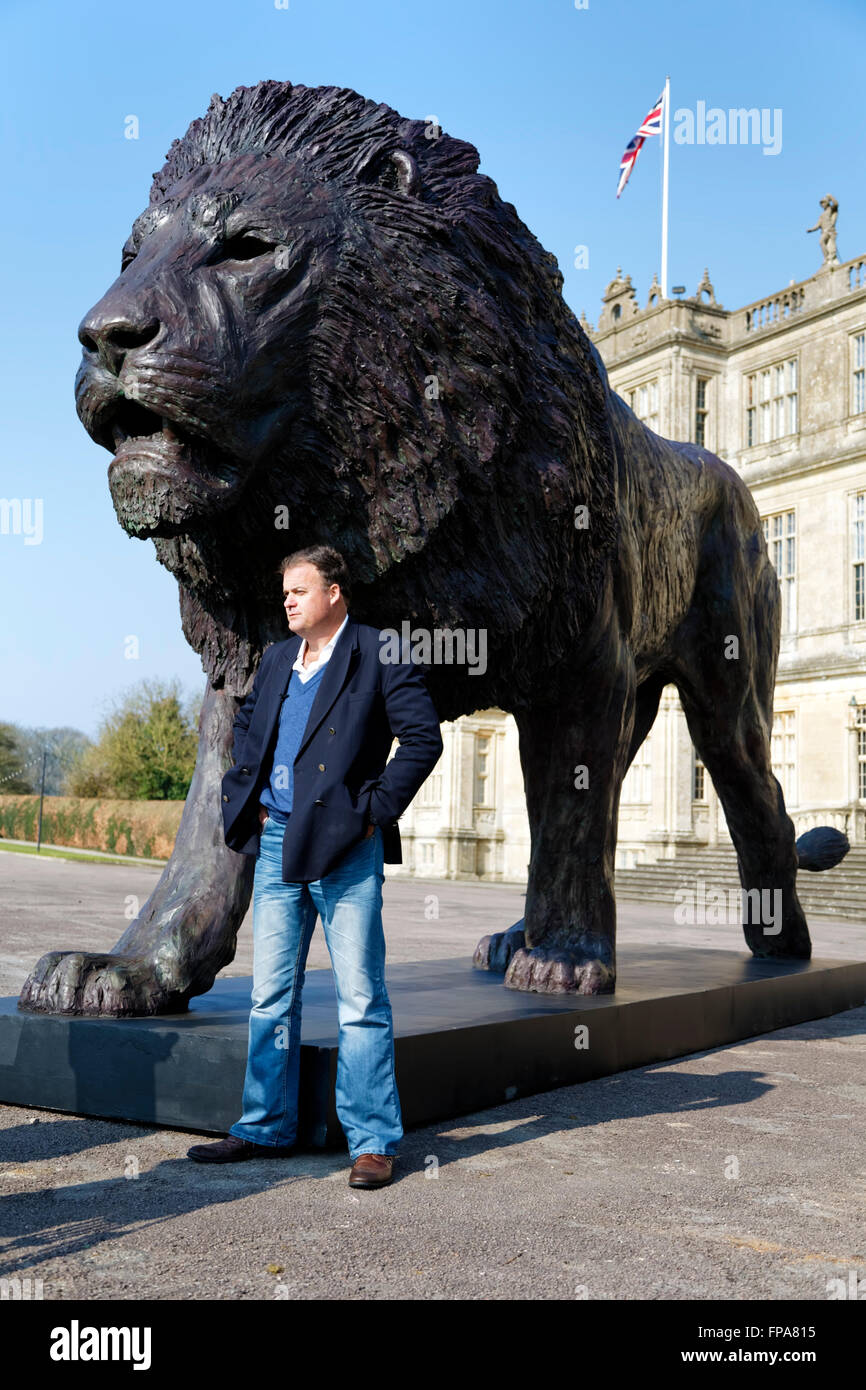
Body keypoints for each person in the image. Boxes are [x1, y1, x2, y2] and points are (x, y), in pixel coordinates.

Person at [187, 546, 442, 1188]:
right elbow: (249, 726)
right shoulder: (277, 659)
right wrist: (243, 795)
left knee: (360, 998)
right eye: (285, 593)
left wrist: (371, 812)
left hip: (345, 847)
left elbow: (422, 739)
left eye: (300, 590)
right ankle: (264, 1125)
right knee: (270, 993)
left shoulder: (379, 652)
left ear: (334, 593)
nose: (289, 601)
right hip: (276, 843)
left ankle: (373, 1141)